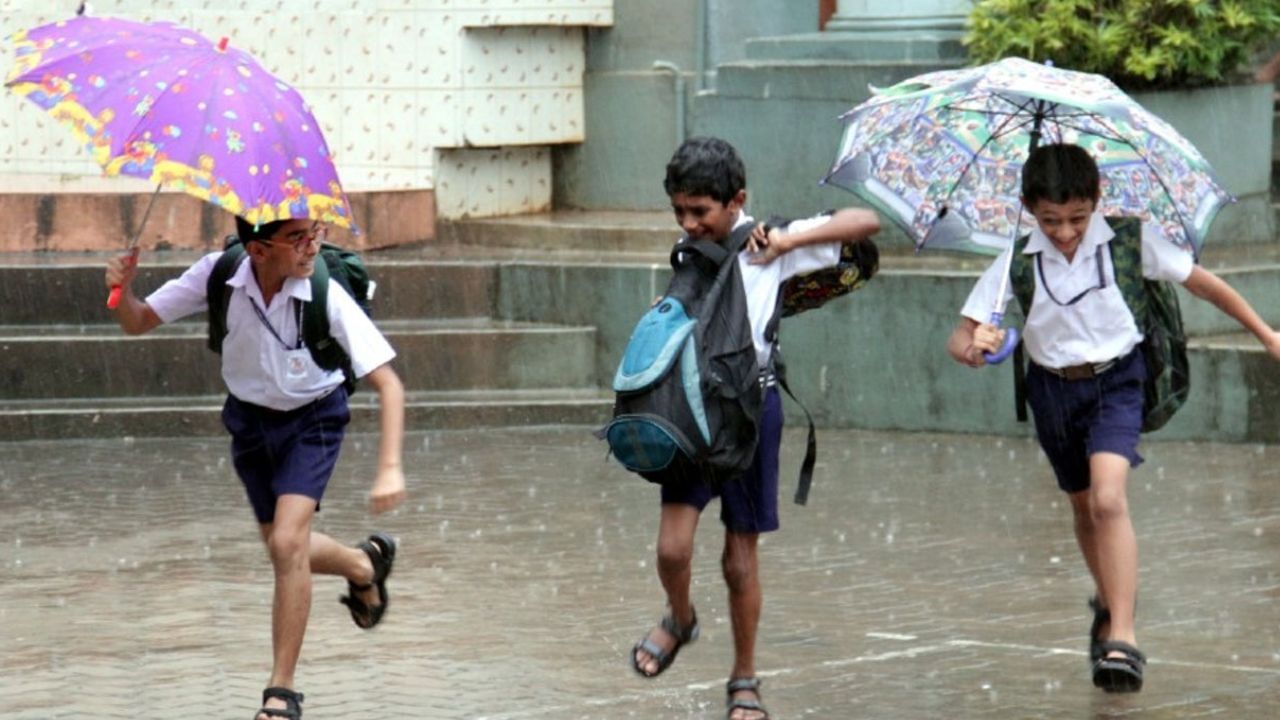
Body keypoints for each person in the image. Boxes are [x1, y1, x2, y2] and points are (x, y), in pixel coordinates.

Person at [947, 143, 1280, 692]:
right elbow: (958, 339)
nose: (1064, 231)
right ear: (1029, 207)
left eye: (1077, 217)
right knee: (1082, 505)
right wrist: (976, 346)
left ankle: (1123, 637)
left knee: (1108, 498)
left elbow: (1205, 283)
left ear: (1097, 202)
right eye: (1050, 219)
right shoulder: (1014, 258)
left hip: (1117, 383)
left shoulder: (1130, 238)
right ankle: (1107, 598)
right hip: (1052, 392)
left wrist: (1265, 333)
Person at [105, 216, 408, 720]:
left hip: (313, 419)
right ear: (258, 250)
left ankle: (281, 692)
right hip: (249, 423)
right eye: (297, 239)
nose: (311, 246)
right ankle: (363, 564)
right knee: (282, 545)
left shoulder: (325, 294)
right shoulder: (219, 274)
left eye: (315, 233)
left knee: (288, 543)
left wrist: (390, 467)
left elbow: (390, 385)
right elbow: (138, 321)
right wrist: (122, 289)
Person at [630, 136, 880, 720]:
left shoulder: (771, 244)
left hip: (750, 415)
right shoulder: (689, 249)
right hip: (688, 414)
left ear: (737, 199)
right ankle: (682, 618)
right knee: (672, 550)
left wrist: (788, 238)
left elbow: (863, 221)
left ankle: (745, 676)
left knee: (739, 561)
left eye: (701, 212)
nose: (689, 224)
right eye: (679, 211)